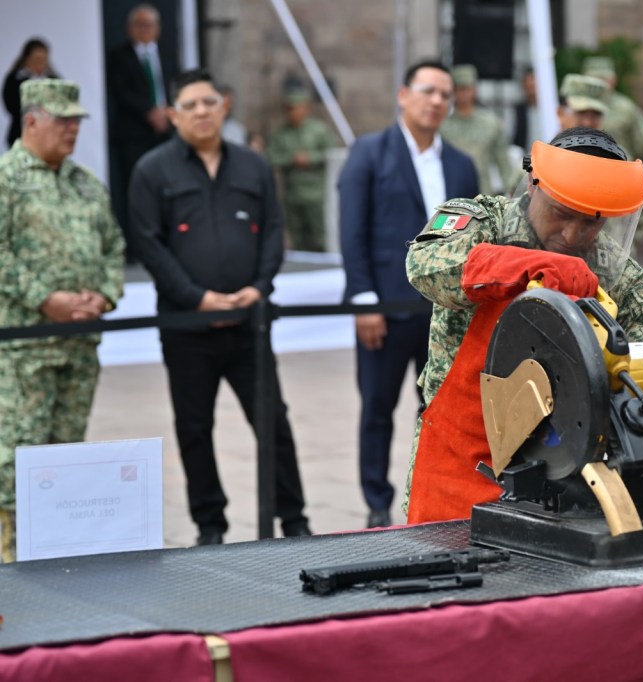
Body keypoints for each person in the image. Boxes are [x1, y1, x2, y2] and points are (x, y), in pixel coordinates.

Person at [403, 127, 643, 523]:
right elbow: (425, 264)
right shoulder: (482, 221)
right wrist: (527, 266)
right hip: (456, 468)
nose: (572, 235)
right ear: (534, 186)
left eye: (590, 223)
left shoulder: (623, 281)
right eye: (562, 215)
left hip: (565, 484)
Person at [128, 69, 310, 545]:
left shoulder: (252, 165)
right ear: (173, 115)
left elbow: (273, 231)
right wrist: (196, 297)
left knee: (273, 421)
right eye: (190, 105)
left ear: (224, 105)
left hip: (249, 324)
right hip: (187, 326)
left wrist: (260, 286)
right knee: (194, 428)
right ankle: (210, 525)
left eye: (209, 102)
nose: (202, 111)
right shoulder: (152, 170)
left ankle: (293, 520)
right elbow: (149, 245)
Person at [339, 60, 478, 528]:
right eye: (428, 91)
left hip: (444, 316)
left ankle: (436, 495)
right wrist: (363, 300)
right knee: (377, 408)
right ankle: (377, 502)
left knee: (442, 410)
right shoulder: (369, 153)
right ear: (403, 95)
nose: (437, 101)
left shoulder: (460, 164)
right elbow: (352, 233)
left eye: (445, 94)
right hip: (385, 309)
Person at [0, 79, 125, 562]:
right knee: (14, 463)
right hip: (21, 351)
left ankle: (54, 559)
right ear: (32, 120)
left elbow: (114, 246)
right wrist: (44, 298)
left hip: (79, 346)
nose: (73, 128)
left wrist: (104, 295)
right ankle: (10, 568)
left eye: (77, 120)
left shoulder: (84, 182)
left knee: (66, 458)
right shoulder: (7, 178)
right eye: (63, 119)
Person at [106, 3, 173, 247]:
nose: (146, 30)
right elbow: (120, 91)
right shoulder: (119, 55)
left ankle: (166, 240)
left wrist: (168, 112)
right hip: (133, 134)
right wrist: (149, 111)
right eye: (140, 25)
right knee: (135, 190)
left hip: (164, 132)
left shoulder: (166, 53)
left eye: (150, 25)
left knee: (165, 187)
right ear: (129, 28)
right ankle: (136, 245)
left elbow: (174, 86)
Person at [267, 89, 333, 252]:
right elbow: (270, 157)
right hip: (292, 194)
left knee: (320, 237)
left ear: (305, 108)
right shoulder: (281, 133)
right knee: (297, 238)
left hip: (315, 194)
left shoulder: (318, 130)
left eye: (296, 107)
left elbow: (332, 155)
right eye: (289, 108)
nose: (293, 112)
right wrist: (291, 159)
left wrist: (310, 158)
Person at [441, 64, 516, 195]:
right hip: (450, 192)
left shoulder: (490, 123)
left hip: (482, 193)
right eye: (459, 89)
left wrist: (512, 190)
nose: (463, 94)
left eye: (467, 88)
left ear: (475, 90)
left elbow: (503, 160)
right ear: (453, 91)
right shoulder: (442, 125)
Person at [582, 55, 643, 160]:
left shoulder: (626, 107)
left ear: (613, 80)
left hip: (619, 167)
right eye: (594, 79)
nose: (599, 84)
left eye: (603, 79)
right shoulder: (574, 107)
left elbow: (642, 141)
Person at [3, 38, 59, 149]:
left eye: (44, 60)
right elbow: (10, 105)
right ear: (26, 59)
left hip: (48, 138)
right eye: (36, 60)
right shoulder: (15, 79)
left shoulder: (54, 80)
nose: (40, 64)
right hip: (20, 135)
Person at [511, 67, 540, 152]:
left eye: (533, 84)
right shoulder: (518, 111)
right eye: (528, 85)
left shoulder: (550, 110)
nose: (530, 85)